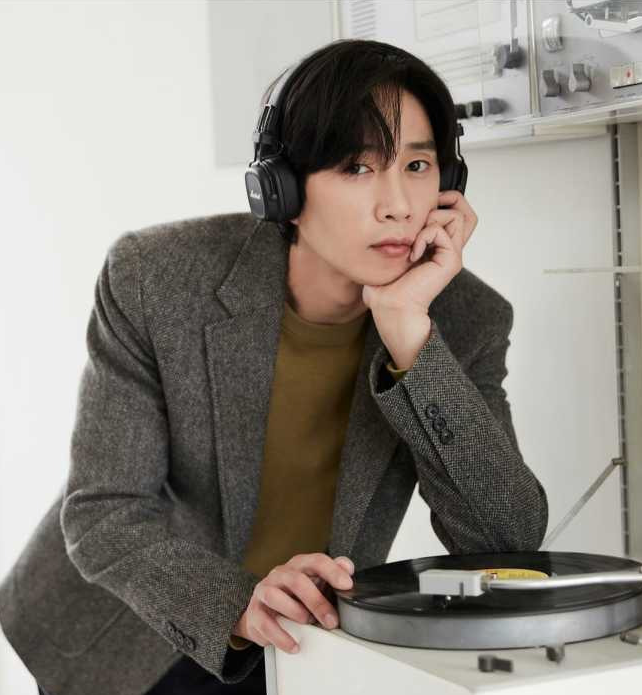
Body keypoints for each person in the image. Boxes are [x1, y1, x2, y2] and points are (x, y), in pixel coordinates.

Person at [0, 38, 548, 695]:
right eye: (357, 167)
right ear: (281, 186)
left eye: (418, 164)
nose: (399, 204)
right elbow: (104, 513)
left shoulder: (465, 319)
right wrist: (240, 601)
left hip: (296, 643)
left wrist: (410, 335)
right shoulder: (156, 278)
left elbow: (506, 541)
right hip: (124, 634)